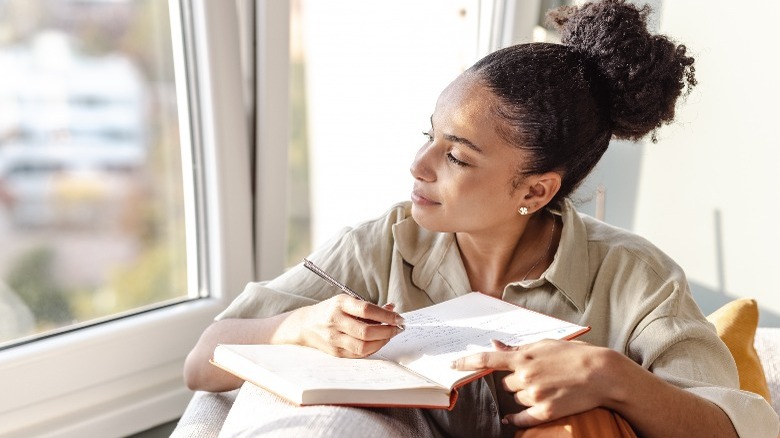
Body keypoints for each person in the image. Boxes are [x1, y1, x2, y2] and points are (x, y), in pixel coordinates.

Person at [183, 1, 779, 437]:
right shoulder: (377, 246)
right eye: (429, 137)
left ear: (536, 188)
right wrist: (298, 326)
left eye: (457, 156)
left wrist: (613, 377)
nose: (419, 165)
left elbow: (739, 424)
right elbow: (202, 359)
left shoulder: (635, 278)